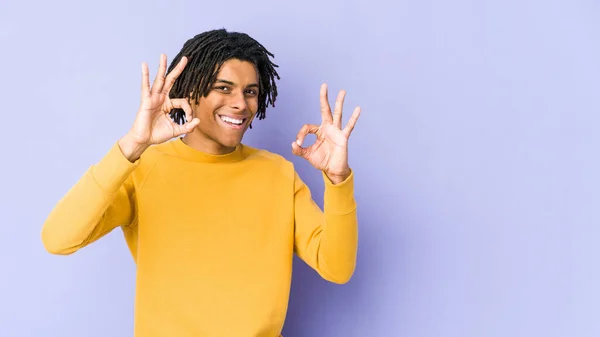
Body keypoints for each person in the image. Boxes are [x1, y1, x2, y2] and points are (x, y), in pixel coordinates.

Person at [41, 28, 361, 337]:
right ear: (190, 92)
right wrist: (133, 145)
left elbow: (337, 266)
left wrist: (337, 180)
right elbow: (58, 238)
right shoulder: (144, 168)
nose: (240, 103)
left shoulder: (277, 172)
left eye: (250, 91)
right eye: (223, 88)